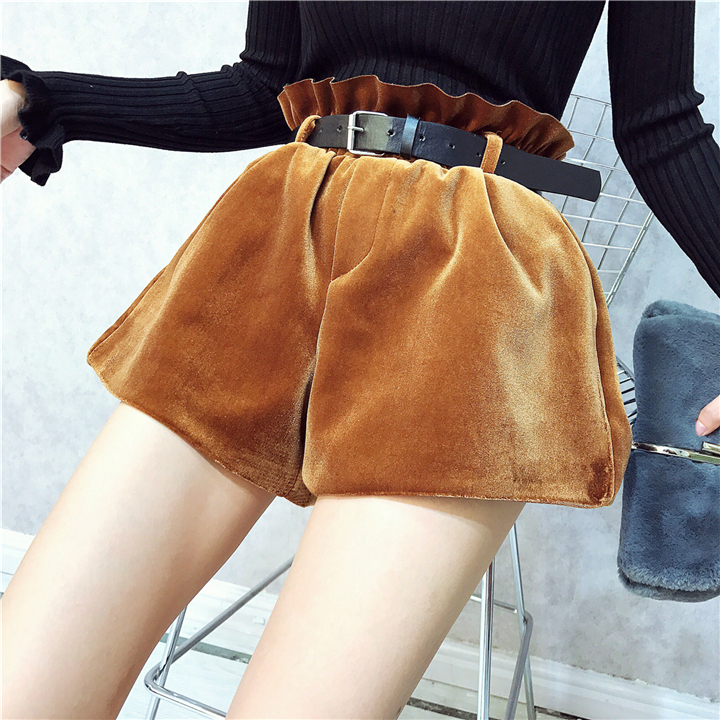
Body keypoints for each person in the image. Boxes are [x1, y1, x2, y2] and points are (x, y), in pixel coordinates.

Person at [1, 2, 719, 718]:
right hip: (276, 235)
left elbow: (660, 126)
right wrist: (42, 106)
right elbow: (266, 82)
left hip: (468, 281)